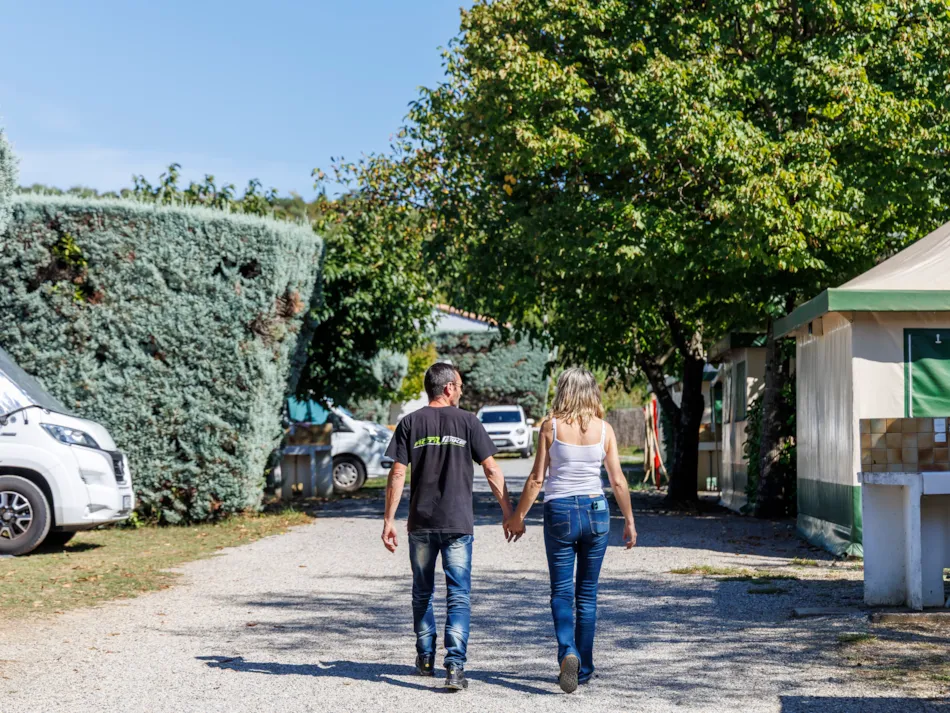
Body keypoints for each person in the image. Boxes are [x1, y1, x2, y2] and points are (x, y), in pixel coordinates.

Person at [382, 362, 514, 691]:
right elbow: (492, 470)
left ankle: (425, 657)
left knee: (422, 593)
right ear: (449, 388)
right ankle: (454, 667)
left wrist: (389, 520)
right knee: (458, 596)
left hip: (422, 524)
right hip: (458, 524)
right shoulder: (469, 422)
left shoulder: (410, 423)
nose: (462, 391)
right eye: (460, 385)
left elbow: (397, 473)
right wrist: (508, 511)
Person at [505, 368, 637, 693]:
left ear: (563, 390)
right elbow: (617, 479)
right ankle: (585, 667)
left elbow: (537, 479)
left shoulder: (549, 427)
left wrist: (517, 517)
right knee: (587, 594)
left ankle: (568, 652)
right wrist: (630, 521)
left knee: (562, 593)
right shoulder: (605, 430)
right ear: (592, 391)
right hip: (596, 511)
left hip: (560, 511)